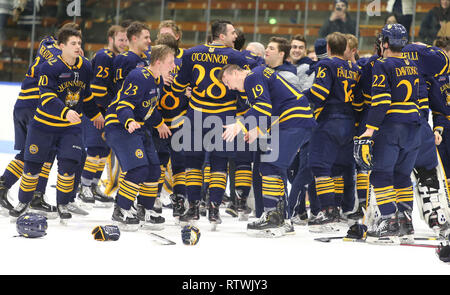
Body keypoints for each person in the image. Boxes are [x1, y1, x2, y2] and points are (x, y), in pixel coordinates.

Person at [9, 27, 105, 222]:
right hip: (43, 126)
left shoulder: (86, 66)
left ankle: (62, 203)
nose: (78, 47)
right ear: (61, 46)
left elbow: (86, 95)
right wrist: (65, 111)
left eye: (79, 43)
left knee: (69, 164)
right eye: (73, 43)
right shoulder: (50, 67)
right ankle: (23, 202)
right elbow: (46, 97)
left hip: (70, 128)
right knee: (32, 166)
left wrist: (96, 114)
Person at [170, 20, 258, 229]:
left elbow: (179, 85)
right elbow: (254, 77)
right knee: (219, 165)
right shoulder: (235, 55)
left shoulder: (192, 52)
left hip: (196, 115)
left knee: (192, 163)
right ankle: (214, 210)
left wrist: (187, 91)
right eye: (232, 33)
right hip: (224, 117)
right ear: (221, 36)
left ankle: (192, 208)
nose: (235, 36)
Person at [219, 63, 317, 237]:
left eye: (227, 82)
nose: (229, 87)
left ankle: (273, 217)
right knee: (274, 168)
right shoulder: (258, 74)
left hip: (293, 121)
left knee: (270, 166)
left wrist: (240, 125)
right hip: (297, 120)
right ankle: (282, 219)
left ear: (235, 72)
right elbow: (272, 106)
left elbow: (263, 107)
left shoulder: (251, 77)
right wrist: (257, 130)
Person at [0, 22, 80, 218]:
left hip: (23, 103)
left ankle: (15, 188)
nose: (78, 46)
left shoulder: (46, 43)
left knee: (30, 152)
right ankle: (30, 193)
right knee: (43, 150)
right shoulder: (60, 55)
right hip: (37, 105)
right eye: (74, 41)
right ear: (64, 42)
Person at [356, 24, 421, 244]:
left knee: (381, 175)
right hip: (414, 126)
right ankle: (405, 223)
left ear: (384, 42)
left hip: (392, 126)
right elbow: (420, 98)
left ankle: (389, 221)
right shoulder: (412, 64)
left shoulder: (382, 64)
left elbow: (381, 100)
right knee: (402, 175)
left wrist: (370, 129)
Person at [104, 44, 174, 230]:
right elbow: (124, 105)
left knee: (154, 170)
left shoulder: (157, 81)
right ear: (158, 62)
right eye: (170, 62)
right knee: (138, 169)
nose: (173, 66)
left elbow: (146, 109)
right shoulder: (139, 76)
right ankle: (121, 209)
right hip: (120, 126)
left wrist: (159, 124)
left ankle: (145, 208)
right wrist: (128, 122)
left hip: (140, 128)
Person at [302, 32, 361, 233]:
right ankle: (336, 209)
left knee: (320, 167)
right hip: (350, 123)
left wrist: (299, 97)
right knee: (337, 168)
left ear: (327, 48)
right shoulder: (355, 68)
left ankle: (328, 212)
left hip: (330, 121)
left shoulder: (326, 65)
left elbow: (319, 94)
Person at [77, 25, 128, 210]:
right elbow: (97, 88)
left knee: (105, 150)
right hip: (96, 110)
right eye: (120, 39)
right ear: (111, 39)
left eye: (126, 40)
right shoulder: (104, 56)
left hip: (106, 111)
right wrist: (110, 107)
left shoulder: (120, 59)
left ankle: (93, 184)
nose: (124, 43)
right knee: (95, 149)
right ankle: (84, 187)